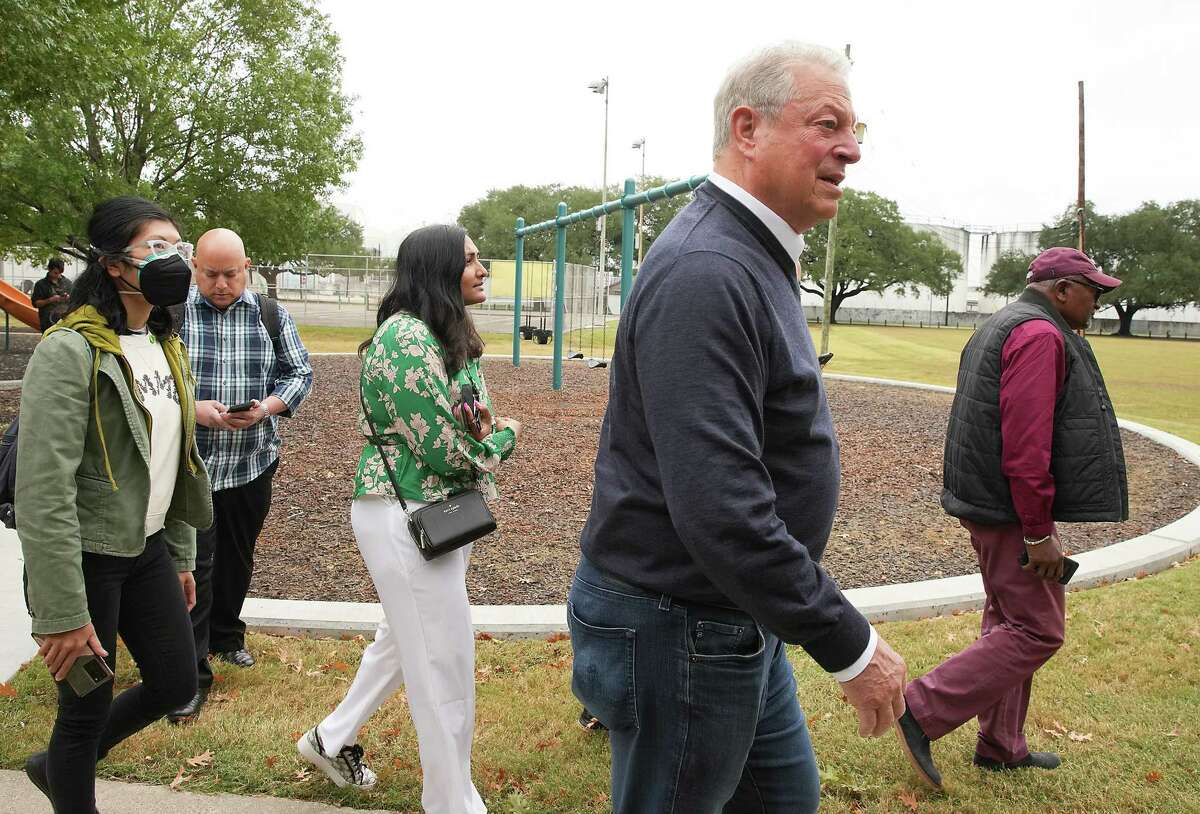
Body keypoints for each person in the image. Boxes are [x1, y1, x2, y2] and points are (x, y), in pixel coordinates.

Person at [569, 42, 907, 813]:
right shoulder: (709, 270)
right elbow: (721, 509)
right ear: (746, 128)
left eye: (857, 130)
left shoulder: (752, 254)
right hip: (682, 627)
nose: (852, 150)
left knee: (785, 801)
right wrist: (848, 645)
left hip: (729, 616)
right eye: (828, 125)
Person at [298, 225, 521, 812]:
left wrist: (489, 436)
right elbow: (447, 445)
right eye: (469, 260)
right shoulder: (404, 337)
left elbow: (473, 418)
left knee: (406, 640)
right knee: (443, 662)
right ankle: (452, 803)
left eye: (481, 258)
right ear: (438, 268)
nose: (481, 268)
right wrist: (503, 443)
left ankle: (330, 738)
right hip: (403, 514)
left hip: (438, 511)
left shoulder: (448, 334)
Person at [895, 247, 1126, 786]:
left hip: (987, 501)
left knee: (1008, 618)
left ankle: (1001, 745)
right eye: (1093, 289)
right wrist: (1039, 530)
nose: (1099, 301)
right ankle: (920, 709)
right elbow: (1026, 445)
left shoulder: (1003, 322)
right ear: (1062, 289)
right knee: (1037, 629)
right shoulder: (1040, 335)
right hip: (1009, 509)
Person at [17, 196, 212, 812]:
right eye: (155, 247)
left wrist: (181, 554)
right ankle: (70, 776)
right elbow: (42, 488)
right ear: (110, 263)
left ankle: (55, 769)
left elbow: (174, 461)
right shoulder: (69, 351)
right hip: (88, 557)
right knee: (84, 711)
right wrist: (61, 611)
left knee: (177, 682)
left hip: (149, 547)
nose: (171, 259)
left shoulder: (165, 343)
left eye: (177, 247)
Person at [167, 228, 313, 722]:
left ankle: (227, 637)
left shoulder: (270, 314)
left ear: (247, 267)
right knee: (195, 568)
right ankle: (190, 674)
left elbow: (299, 373)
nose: (221, 284)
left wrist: (267, 408)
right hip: (190, 467)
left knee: (236, 557)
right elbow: (152, 381)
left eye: (231, 274)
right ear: (195, 269)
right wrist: (195, 410)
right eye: (210, 274)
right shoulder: (173, 314)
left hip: (252, 462)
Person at [31, 257, 73, 332]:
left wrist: (68, 298)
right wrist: (50, 300)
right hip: (47, 324)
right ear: (49, 269)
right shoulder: (41, 284)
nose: (58, 275)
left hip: (66, 323)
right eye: (55, 273)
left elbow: (75, 301)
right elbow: (36, 303)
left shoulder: (68, 283)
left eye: (60, 273)